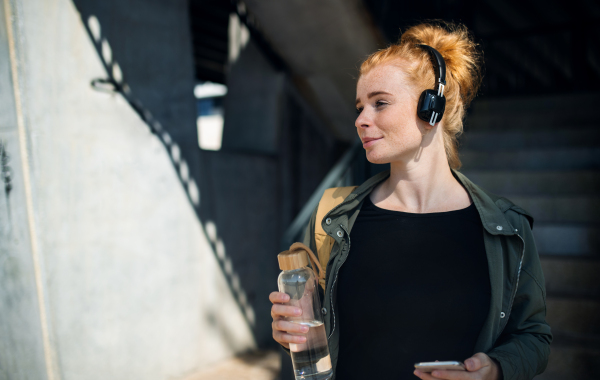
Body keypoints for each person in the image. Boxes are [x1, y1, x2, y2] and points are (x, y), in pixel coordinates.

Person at [270, 22, 552, 380]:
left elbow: (533, 337)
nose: (360, 120)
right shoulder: (335, 219)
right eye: (359, 107)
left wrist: (496, 369)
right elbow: (317, 331)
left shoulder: (507, 228)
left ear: (431, 108)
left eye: (380, 103)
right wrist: (290, 332)